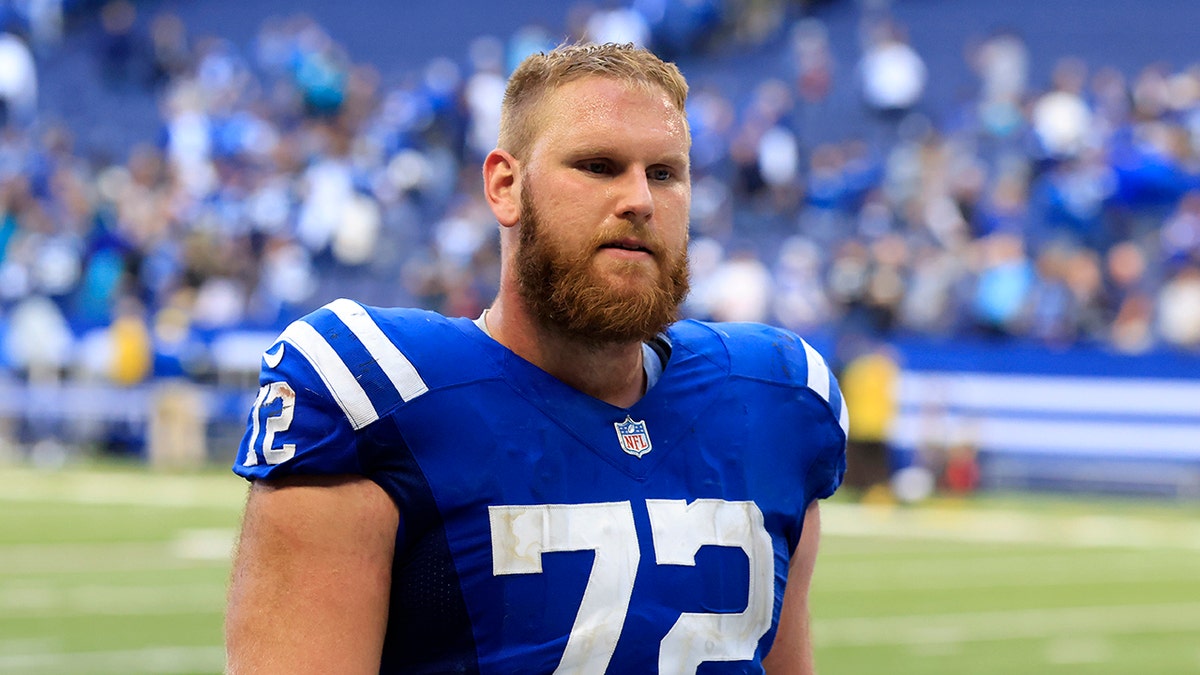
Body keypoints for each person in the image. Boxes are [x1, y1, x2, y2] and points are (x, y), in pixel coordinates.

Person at [225, 42, 848, 674]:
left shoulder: (778, 401)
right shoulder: (382, 393)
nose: (641, 200)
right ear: (505, 185)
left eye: (665, 173)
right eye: (599, 166)